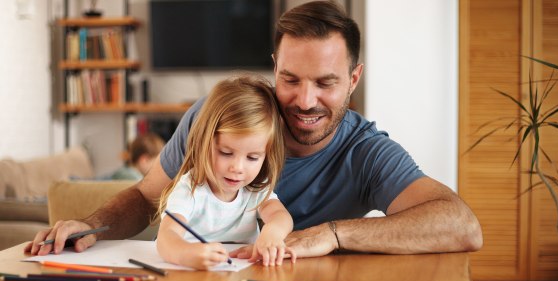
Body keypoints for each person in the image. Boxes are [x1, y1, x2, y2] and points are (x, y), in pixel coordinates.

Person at [27, 1, 482, 257]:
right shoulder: (218, 117)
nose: (305, 101)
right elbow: (148, 197)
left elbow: (461, 225)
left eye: (325, 83)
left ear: (354, 80)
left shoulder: (366, 152)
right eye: (290, 79)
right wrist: (94, 225)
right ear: (274, 68)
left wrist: (334, 233)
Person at [156, 75, 295, 269]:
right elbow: (166, 238)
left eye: (252, 158)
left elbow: (281, 216)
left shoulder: (254, 190)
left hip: (244, 274)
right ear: (204, 142)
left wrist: (272, 233)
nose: (237, 168)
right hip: (192, 276)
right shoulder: (191, 188)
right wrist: (187, 254)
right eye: (226, 153)